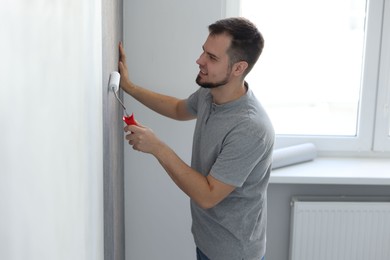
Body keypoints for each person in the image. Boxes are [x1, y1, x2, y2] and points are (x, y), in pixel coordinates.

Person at [119, 17, 274, 260]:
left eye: (212, 58)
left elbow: (207, 195)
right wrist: (130, 87)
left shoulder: (250, 128)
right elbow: (179, 109)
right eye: (204, 51)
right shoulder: (210, 92)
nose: (200, 60)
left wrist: (157, 147)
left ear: (238, 68)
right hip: (207, 241)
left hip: (234, 254)